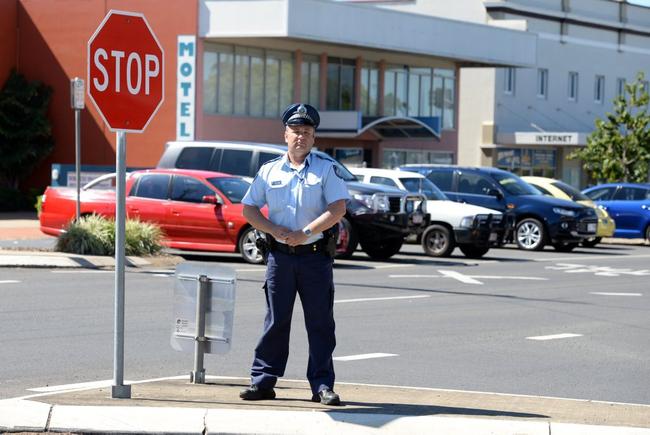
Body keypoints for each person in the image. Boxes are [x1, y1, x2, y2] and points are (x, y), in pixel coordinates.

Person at [239, 103, 349, 406]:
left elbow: (338, 208)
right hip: (279, 257)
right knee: (276, 320)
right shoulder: (269, 170)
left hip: (314, 257)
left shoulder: (326, 169)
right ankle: (262, 382)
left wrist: (306, 232)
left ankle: (322, 385)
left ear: (314, 138)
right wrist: (273, 229)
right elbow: (248, 208)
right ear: (285, 135)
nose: (301, 137)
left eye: (307, 132)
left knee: (320, 322)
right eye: (296, 131)